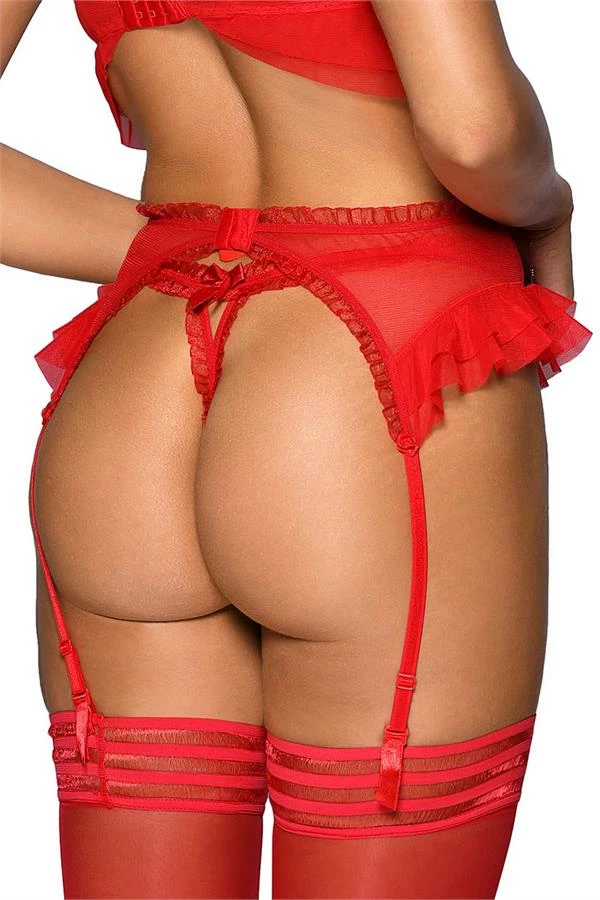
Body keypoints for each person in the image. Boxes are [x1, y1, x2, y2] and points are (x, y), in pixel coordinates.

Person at [1, 2, 592, 898]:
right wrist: (549, 210)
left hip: (136, 380)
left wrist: (179, 246)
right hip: (368, 372)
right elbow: (474, 133)